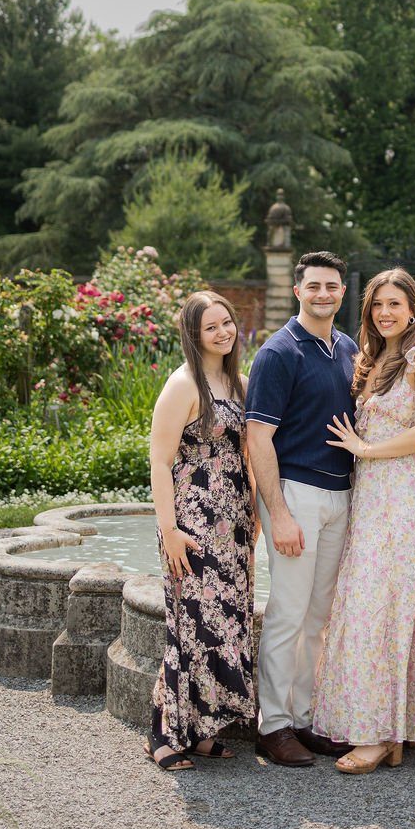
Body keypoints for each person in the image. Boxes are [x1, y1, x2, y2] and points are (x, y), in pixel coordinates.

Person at [312, 268, 415, 773]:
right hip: (368, 497)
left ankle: (380, 733)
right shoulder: (370, 358)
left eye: (395, 304)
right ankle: (383, 730)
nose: (385, 313)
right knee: (364, 609)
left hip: (403, 496)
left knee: (387, 609)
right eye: (378, 305)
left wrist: (366, 448)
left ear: (413, 309)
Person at [245, 251, 358, 767]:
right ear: (298, 291)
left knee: (318, 617)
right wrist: (280, 514)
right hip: (294, 493)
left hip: (340, 495)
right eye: (313, 286)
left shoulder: (347, 348)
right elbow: (259, 439)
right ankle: (272, 725)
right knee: (288, 613)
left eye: (331, 286)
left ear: (342, 292)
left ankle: (304, 717)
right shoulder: (278, 352)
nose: (323, 294)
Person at [145, 290, 255, 771]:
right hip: (192, 522)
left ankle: (202, 729)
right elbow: (159, 460)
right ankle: (163, 732)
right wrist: (168, 529)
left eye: (227, 322)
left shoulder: (240, 383)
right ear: (194, 334)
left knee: (224, 623)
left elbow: (248, 455)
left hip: (234, 523)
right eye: (211, 327)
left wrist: (255, 522)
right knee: (189, 623)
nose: (223, 332)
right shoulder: (183, 384)